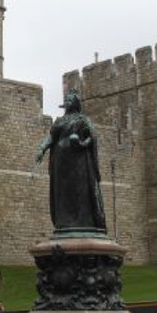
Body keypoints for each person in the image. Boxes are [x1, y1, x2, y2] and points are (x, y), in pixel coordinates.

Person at [36, 89, 106, 234]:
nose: (67, 103)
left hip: (79, 162)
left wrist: (82, 143)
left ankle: (83, 223)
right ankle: (64, 222)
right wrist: (42, 149)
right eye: (66, 100)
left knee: (79, 192)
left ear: (75, 103)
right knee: (63, 194)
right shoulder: (60, 121)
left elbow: (92, 136)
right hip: (61, 163)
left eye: (70, 100)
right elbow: (51, 138)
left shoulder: (82, 120)